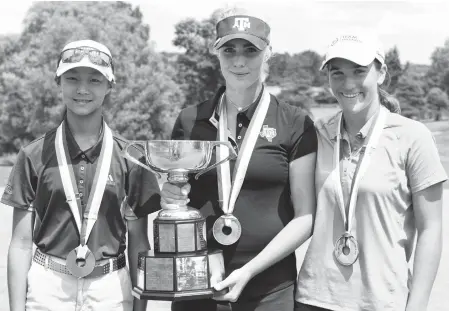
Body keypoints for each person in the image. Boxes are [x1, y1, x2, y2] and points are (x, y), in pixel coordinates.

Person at [215, 31, 447, 311]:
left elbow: (431, 229)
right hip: (313, 299)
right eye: (337, 73)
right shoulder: (316, 134)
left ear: (381, 73)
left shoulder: (413, 136)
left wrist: (418, 305)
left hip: (382, 301)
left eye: (359, 71)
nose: (348, 84)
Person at [160, 7, 317, 311]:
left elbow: (305, 217)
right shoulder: (191, 120)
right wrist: (172, 196)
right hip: (197, 282)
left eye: (251, 50)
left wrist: (249, 271)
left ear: (267, 53)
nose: (240, 60)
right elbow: (180, 196)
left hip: (269, 288)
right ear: (216, 53)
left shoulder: (295, 122)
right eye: (229, 50)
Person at [2, 39, 161, 311]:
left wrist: (140, 307)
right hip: (48, 288)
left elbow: (139, 243)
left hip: (110, 288)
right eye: (72, 78)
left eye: (95, 80)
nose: (83, 89)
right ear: (58, 82)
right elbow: (20, 243)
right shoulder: (33, 155)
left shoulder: (132, 158)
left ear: (110, 85)